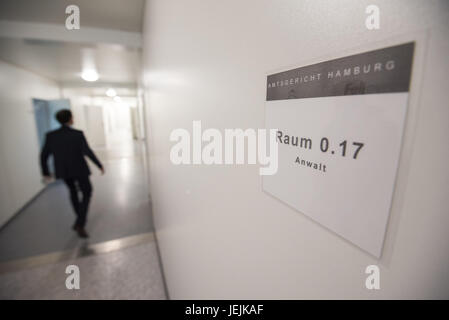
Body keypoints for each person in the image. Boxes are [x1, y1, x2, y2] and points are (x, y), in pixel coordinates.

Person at [40, 109, 104, 238]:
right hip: (80, 169)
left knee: (73, 192)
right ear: (70, 118)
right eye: (72, 117)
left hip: (63, 171)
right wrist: (99, 164)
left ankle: (79, 221)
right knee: (87, 192)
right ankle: (80, 222)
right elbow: (87, 151)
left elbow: (44, 155)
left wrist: (45, 171)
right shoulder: (77, 134)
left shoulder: (51, 135)